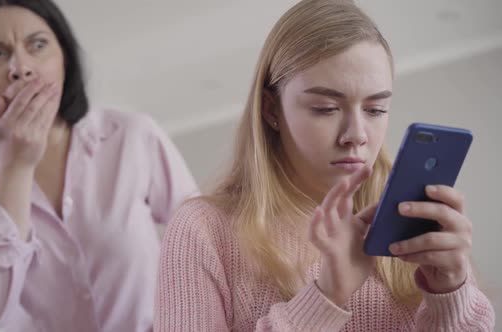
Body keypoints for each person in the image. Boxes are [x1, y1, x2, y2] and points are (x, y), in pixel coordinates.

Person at [155, 0, 495, 331]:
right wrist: (325, 298)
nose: (357, 135)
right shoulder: (204, 230)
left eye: (375, 110)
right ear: (271, 110)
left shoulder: (414, 223)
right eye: (325, 108)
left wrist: (452, 294)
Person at [0, 0, 197, 331]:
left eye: (38, 44)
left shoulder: (132, 135)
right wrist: (14, 168)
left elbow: (204, 243)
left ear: (64, 59)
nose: (21, 67)